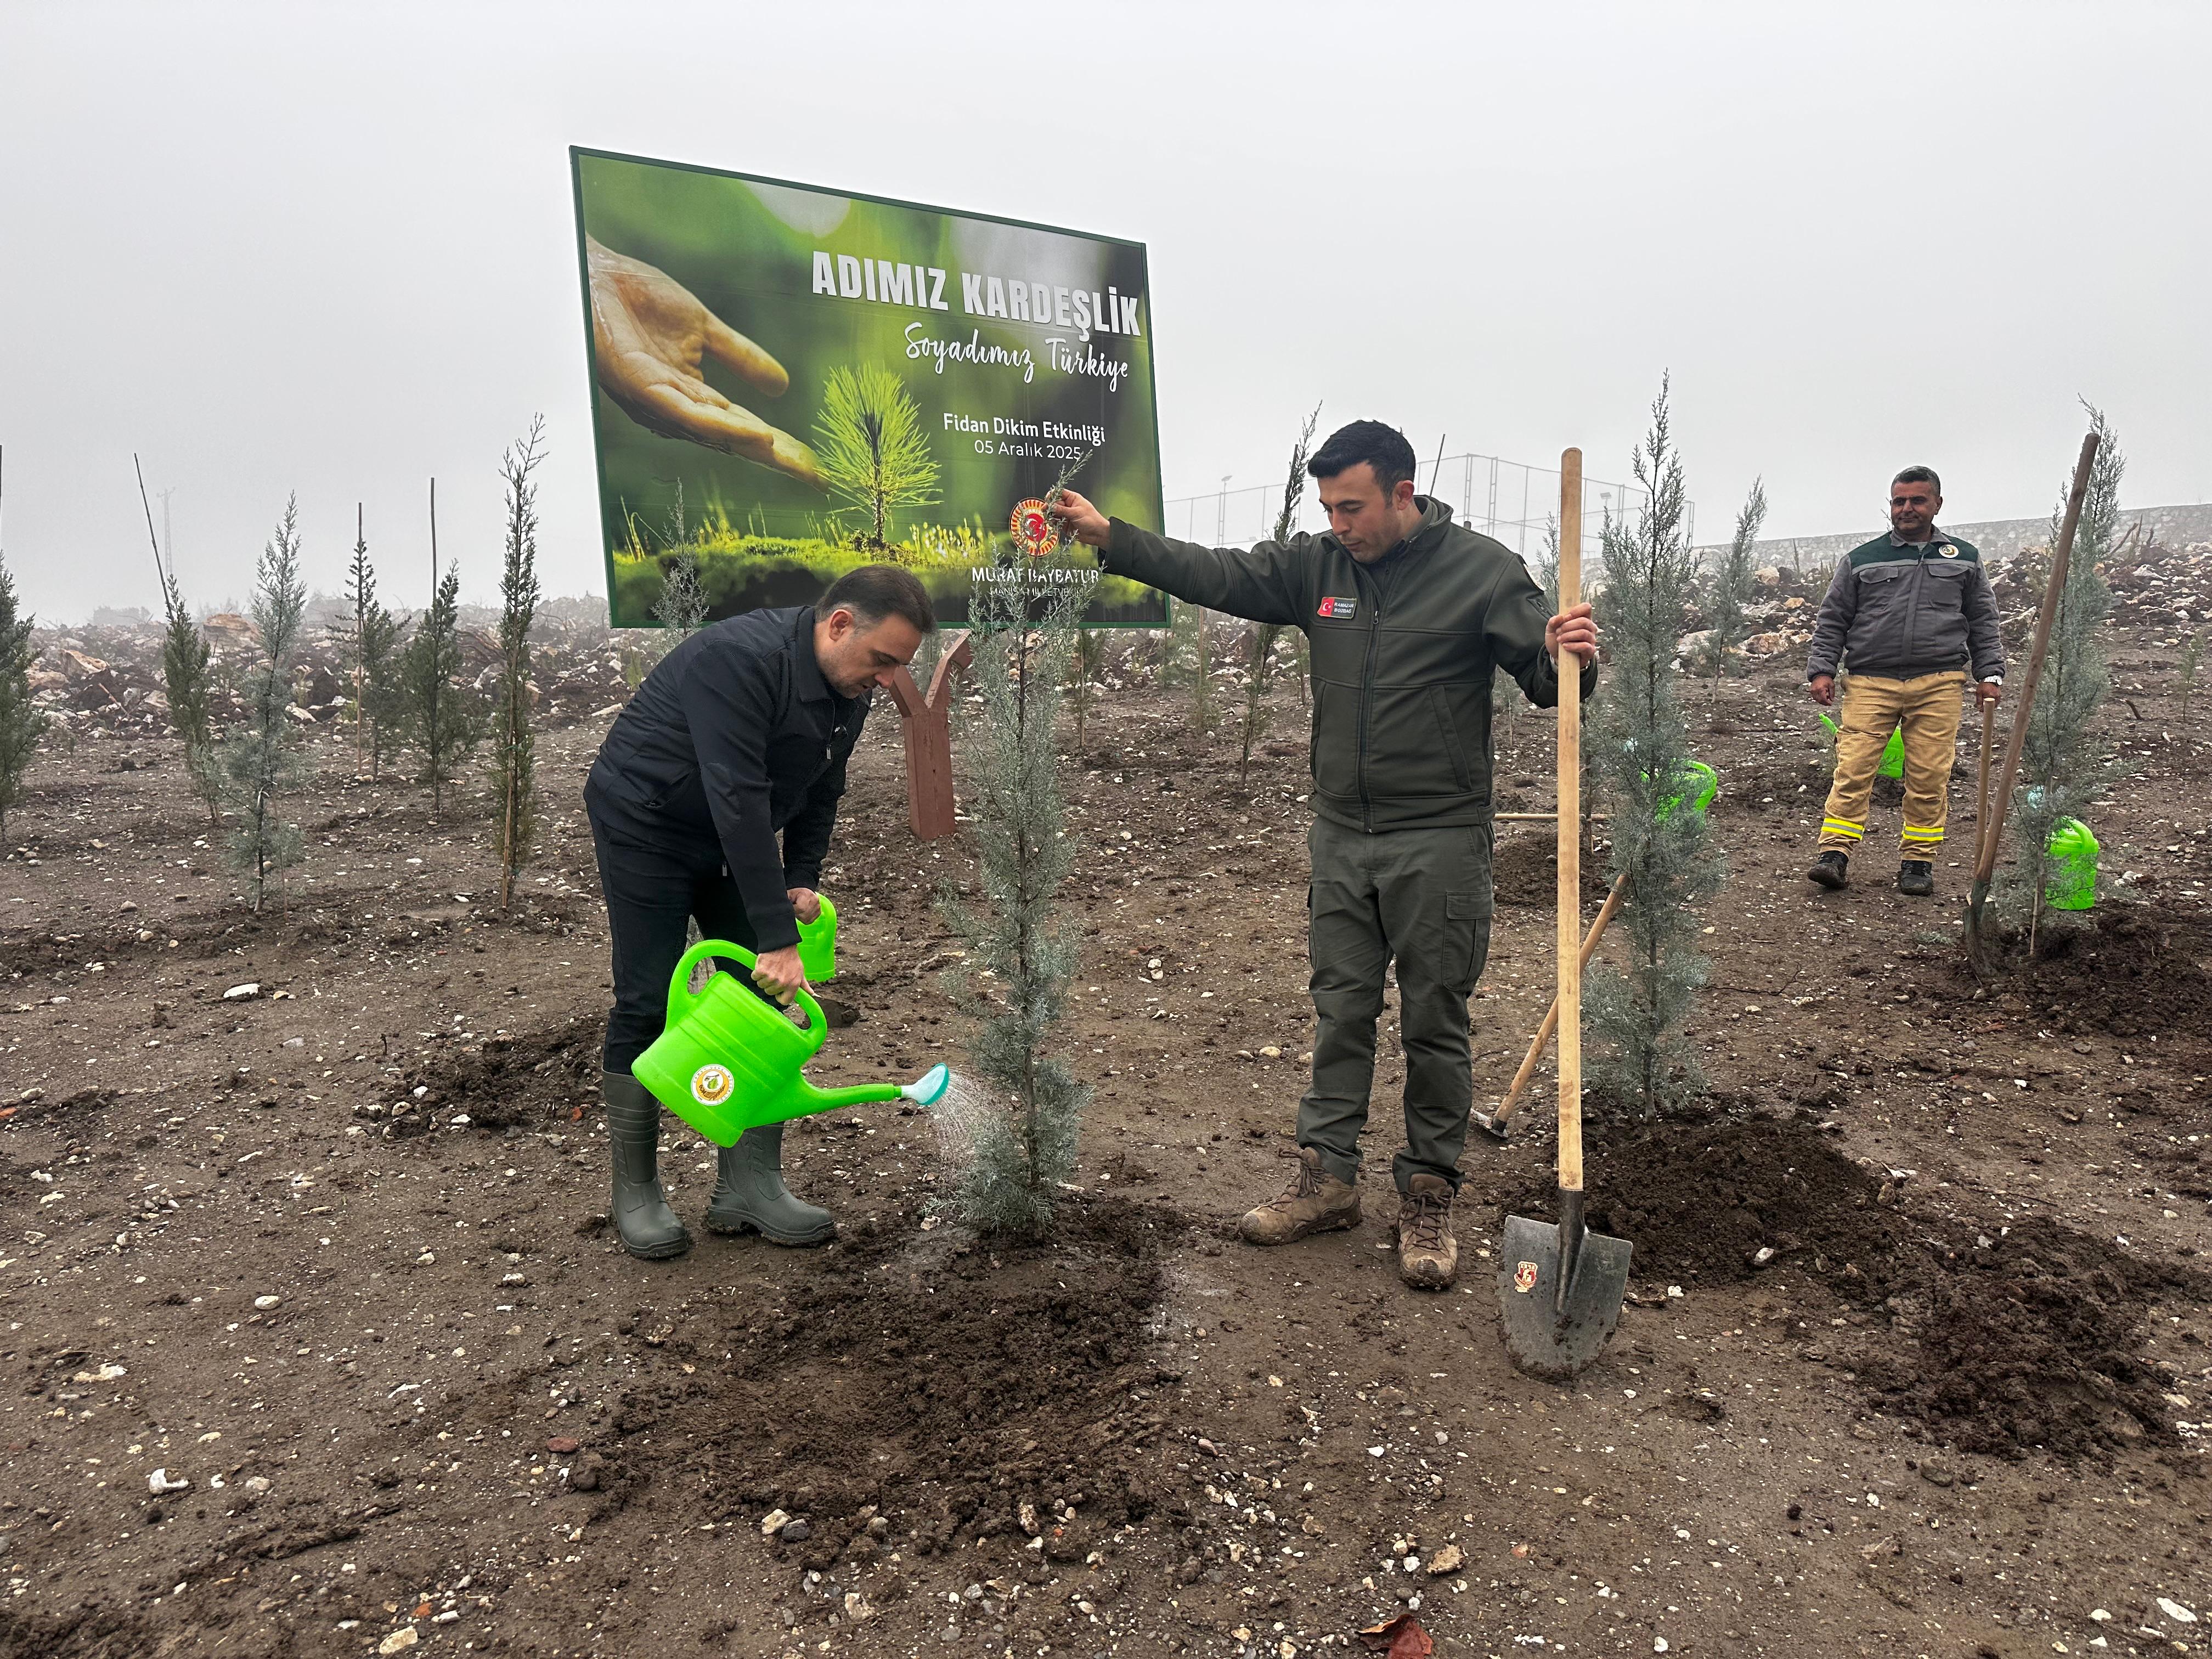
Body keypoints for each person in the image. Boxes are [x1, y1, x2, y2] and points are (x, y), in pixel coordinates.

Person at [1052, 421, 1598, 1291]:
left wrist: (1566, 651)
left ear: (1403, 495)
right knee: (1340, 1007)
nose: (1339, 523)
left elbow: (1545, 679)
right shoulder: (1317, 569)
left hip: (1440, 839)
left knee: (1435, 1019)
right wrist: (1113, 540)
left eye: (1353, 507)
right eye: (1328, 508)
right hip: (1342, 833)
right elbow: (1217, 571)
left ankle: (1427, 1191)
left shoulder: (1482, 571)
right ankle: (1327, 1179)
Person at [585, 566, 934, 1260]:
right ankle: (638, 1195)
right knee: (649, 997)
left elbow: (822, 787)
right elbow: (737, 795)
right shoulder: (736, 661)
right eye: (884, 661)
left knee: (764, 996)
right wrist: (775, 936)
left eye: (901, 667)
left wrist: (799, 881)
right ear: (839, 625)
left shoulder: (850, 685)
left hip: (727, 830)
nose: (890, 680)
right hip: (647, 823)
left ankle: (747, 1186)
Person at [1804, 466, 2002, 897]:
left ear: (1936, 504)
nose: (1907, 509)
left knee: (1930, 775)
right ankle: (1833, 855)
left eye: (1917, 500)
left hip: (1939, 682)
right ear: (1891, 505)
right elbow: (1833, 619)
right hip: (1870, 682)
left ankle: (1918, 863)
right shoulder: (1863, 559)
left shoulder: (1963, 558)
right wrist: (1822, 669)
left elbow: (1983, 620)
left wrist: (1989, 673)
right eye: (1900, 501)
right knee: (1854, 769)